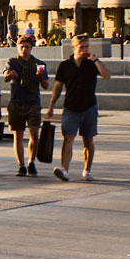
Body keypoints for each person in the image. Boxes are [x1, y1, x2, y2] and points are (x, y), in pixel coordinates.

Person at [51, 35, 110, 182]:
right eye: (81, 47)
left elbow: (107, 75)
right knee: (68, 137)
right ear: (73, 48)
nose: (85, 50)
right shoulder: (65, 65)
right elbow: (58, 87)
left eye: (87, 46)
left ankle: (87, 170)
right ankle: (64, 169)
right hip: (70, 107)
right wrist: (51, 105)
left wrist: (95, 60)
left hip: (89, 106)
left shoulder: (92, 64)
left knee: (88, 140)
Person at [4, 43, 48, 177]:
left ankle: (31, 162)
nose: (24, 49)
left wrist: (40, 77)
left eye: (27, 47)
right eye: (21, 46)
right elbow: (5, 77)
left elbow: (46, 85)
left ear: (31, 48)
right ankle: (21, 165)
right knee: (18, 135)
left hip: (33, 101)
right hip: (17, 101)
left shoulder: (38, 63)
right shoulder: (12, 62)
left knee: (34, 133)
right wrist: (10, 74)